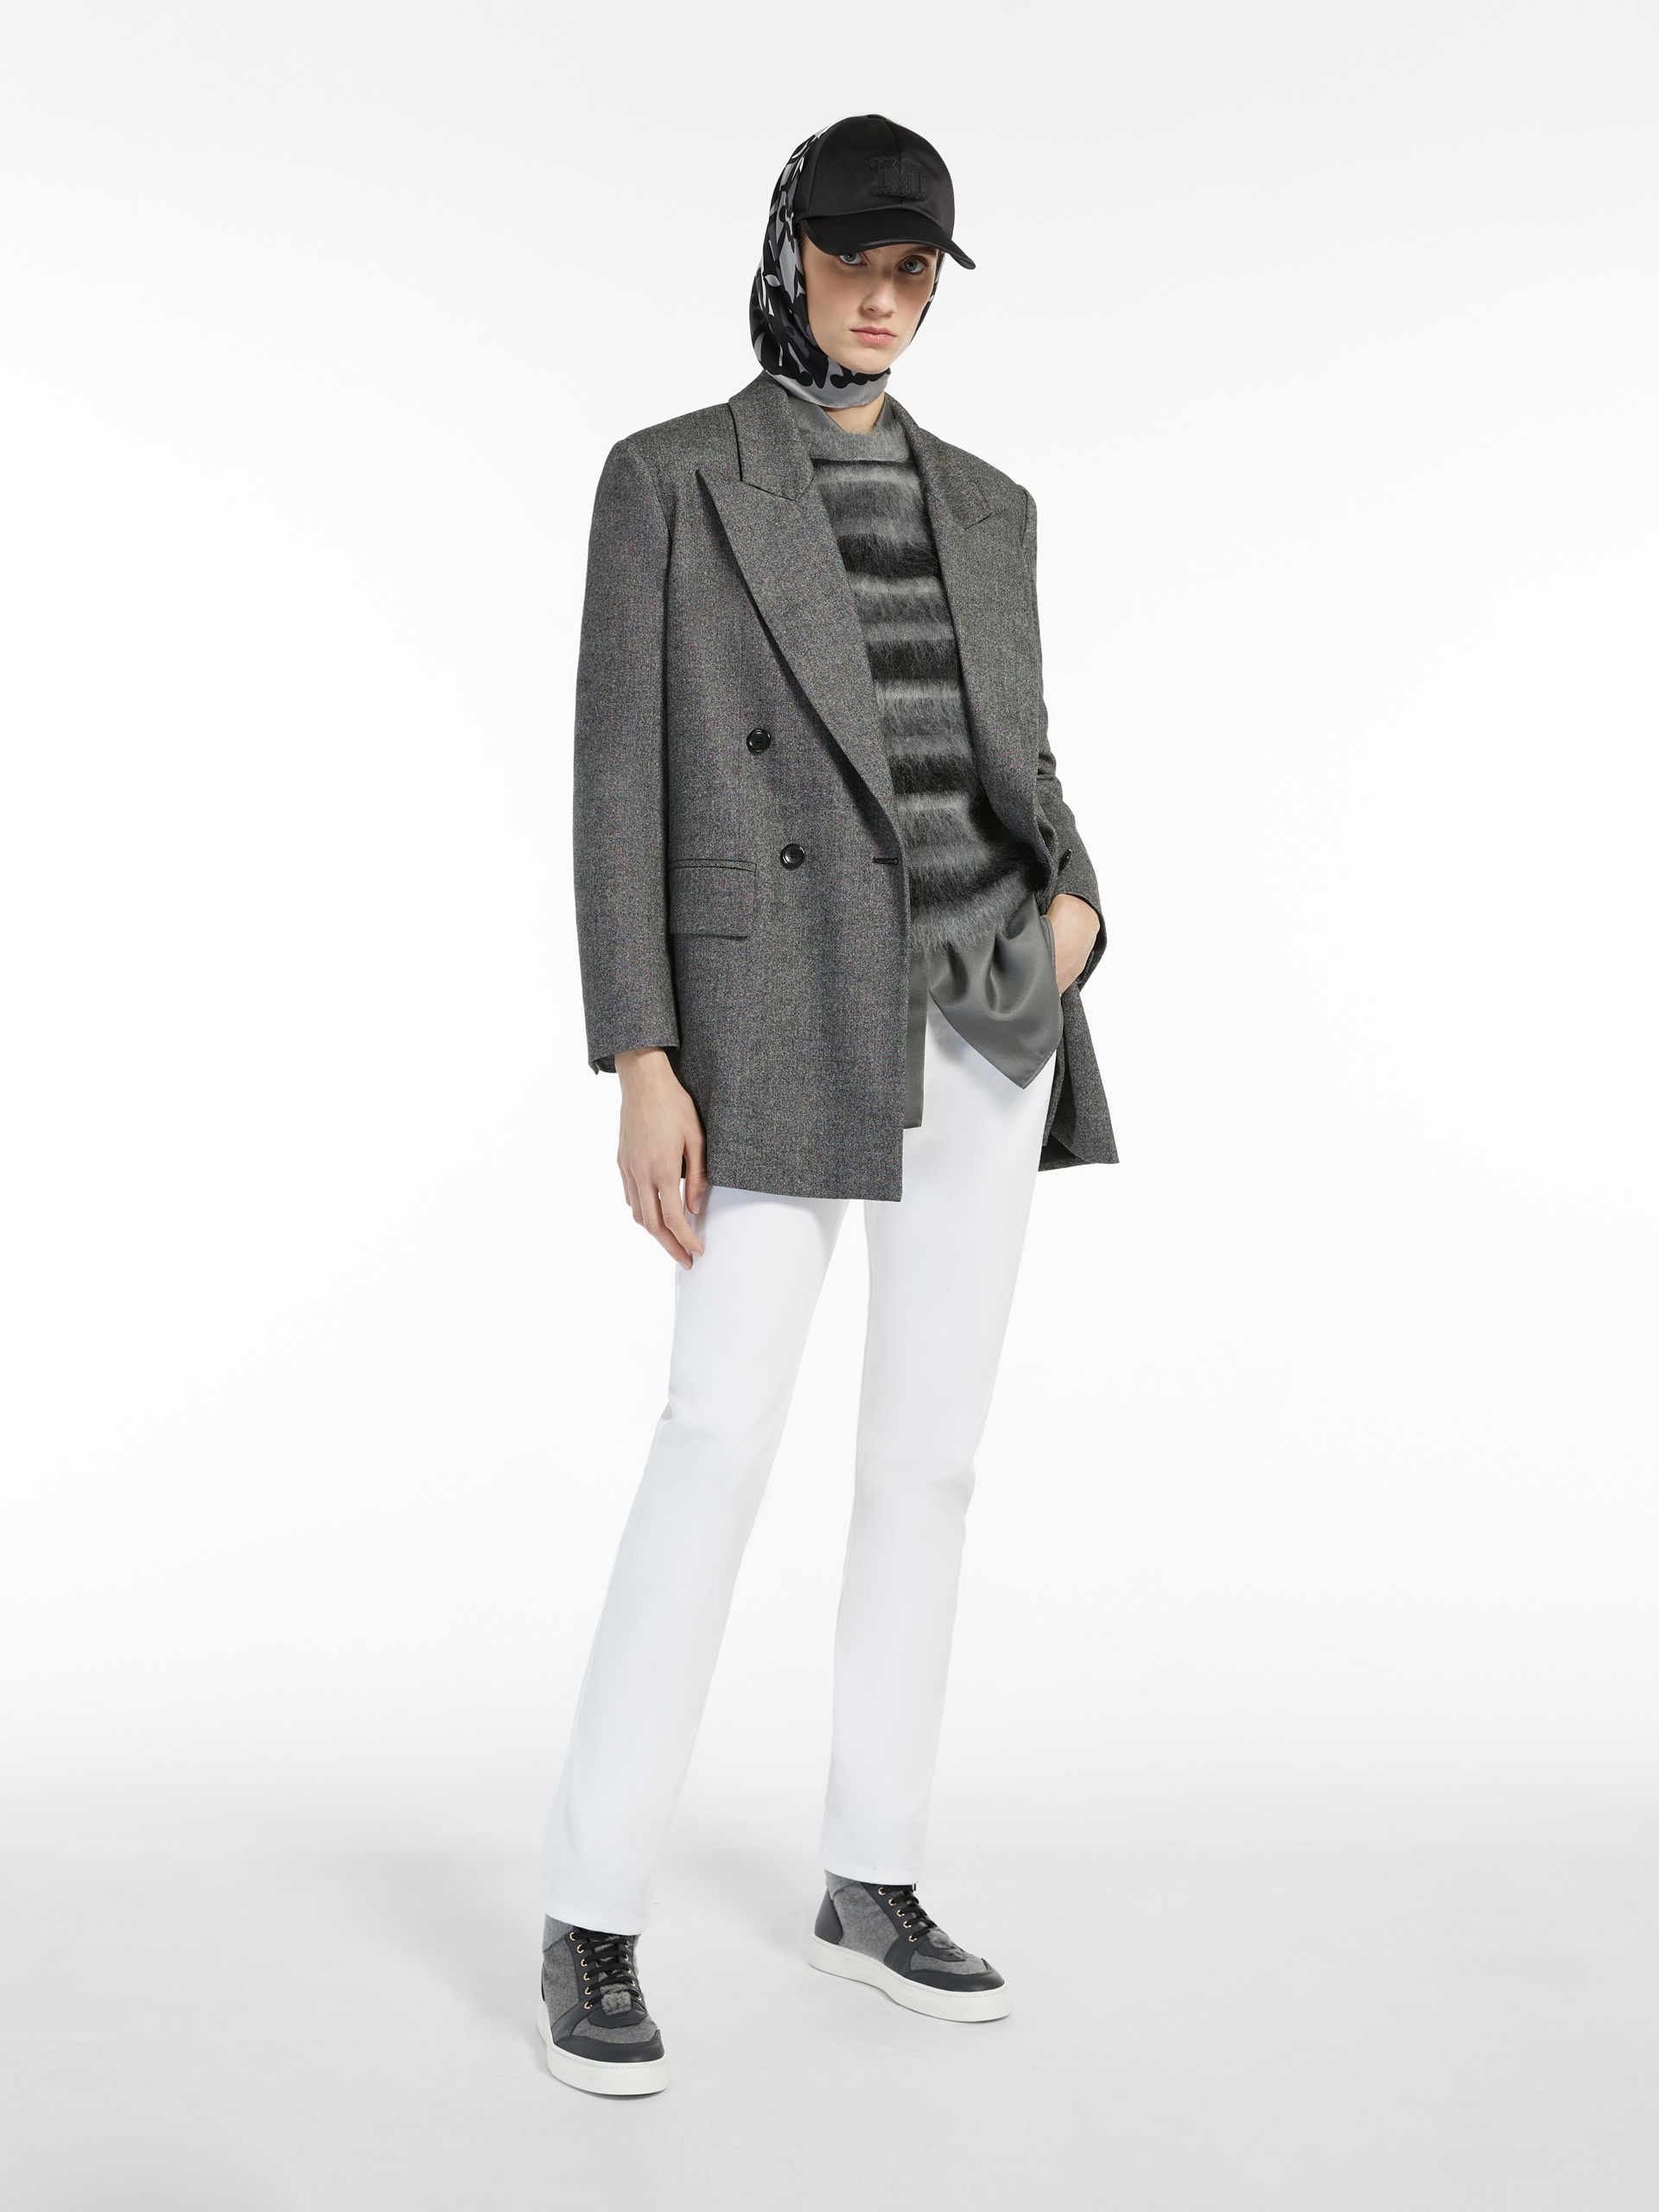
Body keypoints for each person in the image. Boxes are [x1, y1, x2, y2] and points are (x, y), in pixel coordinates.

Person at [538, 112, 1116, 2097]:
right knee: (716, 1433)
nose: (884, 292)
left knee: (927, 1463)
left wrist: (1081, 908)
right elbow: (618, 784)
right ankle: (591, 1905)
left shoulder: (996, 505)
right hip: (772, 1013)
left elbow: (1016, 755)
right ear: (790, 252)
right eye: (855, 253)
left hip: (985, 1015)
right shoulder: (670, 479)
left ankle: (872, 1874)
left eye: (916, 263)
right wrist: (642, 1052)